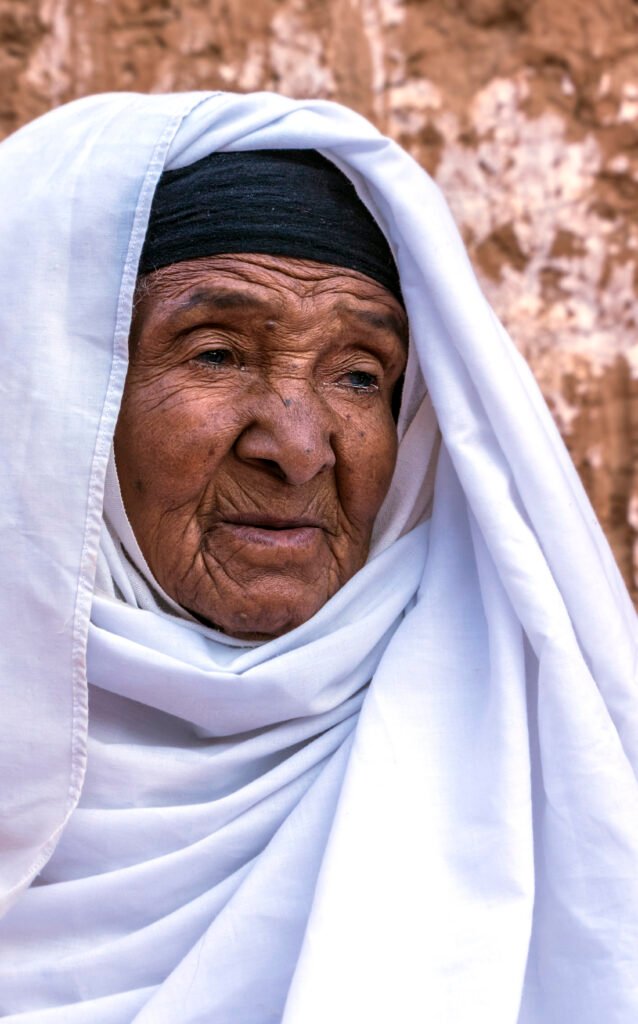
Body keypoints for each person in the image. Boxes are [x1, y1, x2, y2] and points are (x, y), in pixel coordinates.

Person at [0, 90, 636, 1023]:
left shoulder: (532, 766)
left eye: (358, 375)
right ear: (48, 398)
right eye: (216, 354)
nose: (299, 445)